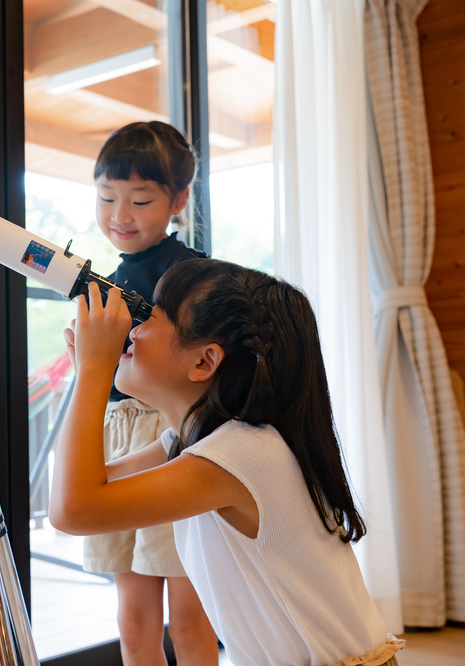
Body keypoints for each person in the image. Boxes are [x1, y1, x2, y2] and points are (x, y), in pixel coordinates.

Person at [52, 259, 405, 666]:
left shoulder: (239, 454)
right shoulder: (195, 442)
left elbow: (72, 509)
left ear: (204, 362)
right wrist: (89, 371)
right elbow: (88, 486)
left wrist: (94, 373)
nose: (132, 329)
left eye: (152, 317)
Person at [82, 121, 216, 665]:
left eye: (139, 199)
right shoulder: (103, 279)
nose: (120, 214)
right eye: (107, 197)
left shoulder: (190, 274)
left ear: (178, 199)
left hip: (169, 436)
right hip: (117, 434)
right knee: (133, 618)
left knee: (189, 618)